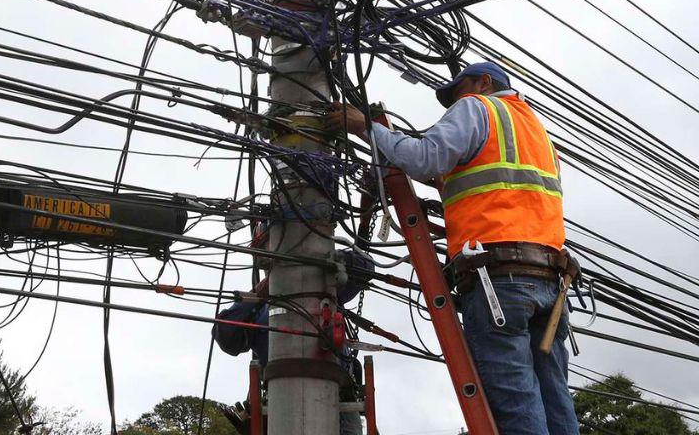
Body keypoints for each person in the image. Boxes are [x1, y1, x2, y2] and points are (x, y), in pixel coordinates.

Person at [325, 60, 579, 435]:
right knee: (556, 405)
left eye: (458, 92)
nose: (453, 106)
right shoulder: (538, 133)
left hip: (498, 282)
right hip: (550, 283)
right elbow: (471, 177)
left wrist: (366, 128)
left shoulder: (478, 107)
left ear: (484, 82)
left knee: (517, 408)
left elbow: (425, 158)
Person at [213, 247, 374, 435]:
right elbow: (225, 333)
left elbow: (366, 265)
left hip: (339, 403)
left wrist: (317, 257)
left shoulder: (324, 288)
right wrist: (259, 293)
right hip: (282, 404)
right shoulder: (259, 310)